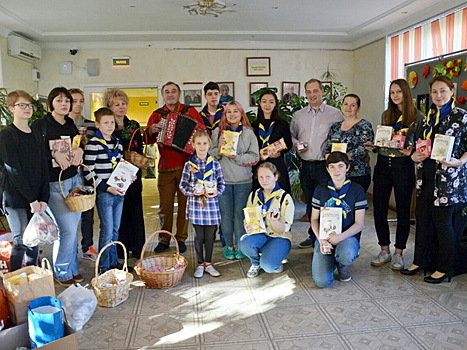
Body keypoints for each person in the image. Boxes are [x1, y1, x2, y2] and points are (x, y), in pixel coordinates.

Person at [402, 76, 467, 283]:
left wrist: (459, 162)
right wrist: (413, 156)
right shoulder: (427, 117)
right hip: (426, 175)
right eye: (434, 92)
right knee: (422, 220)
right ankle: (420, 260)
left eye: (442, 91)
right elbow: (416, 145)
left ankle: (444, 267)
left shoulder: (461, 117)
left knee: (443, 224)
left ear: (451, 92)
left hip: (448, 179)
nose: (438, 96)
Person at [369, 79, 425, 270]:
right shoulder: (387, 115)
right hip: (384, 164)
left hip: (403, 166)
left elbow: (423, 145)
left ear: (406, 93)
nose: (395, 95)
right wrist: (375, 145)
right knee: (379, 209)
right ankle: (384, 249)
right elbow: (383, 140)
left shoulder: (418, 117)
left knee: (402, 210)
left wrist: (413, 150)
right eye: (392, 92)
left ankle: (399, 253)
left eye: (398, 92)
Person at [31, 87, 84, 286]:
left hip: (74, 180)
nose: (64, 104)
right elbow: (33, 153)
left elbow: (77, 143)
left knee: (73, 229)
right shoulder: (41, 125)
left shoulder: (70, 123)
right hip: (54, 184)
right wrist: (52, 154)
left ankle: (72, 268)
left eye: (67, 101)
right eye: (60, 100)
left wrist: (79, 150)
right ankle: (62, 272)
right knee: (66, 230)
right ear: (51, 102)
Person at [146, 81, 204, 253]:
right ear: (163, 95)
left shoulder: (190, 111)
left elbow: (201, 131)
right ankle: (164, 239)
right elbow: (147, 138)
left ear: (179, 94)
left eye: (173, 91)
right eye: (167, 92)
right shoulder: (157, 114)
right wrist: (152, 130)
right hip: (165, 167)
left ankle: (181, 238)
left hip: (187, 167)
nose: (170, 94)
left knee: (185, 206)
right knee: (165, 207)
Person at [290, 78, 343, 248]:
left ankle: (327, 238)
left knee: (326, 204)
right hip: (306, 166)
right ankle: (313, 237)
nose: (312, 95)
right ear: (305, 94)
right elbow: (292, 136)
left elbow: (341, 137)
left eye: (316, 91)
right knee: (310, 203)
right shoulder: (298, 115)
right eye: (309, 91)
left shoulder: (335, 113)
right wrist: (296, 144)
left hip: (324, 167)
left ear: (322, 92)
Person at [0, 90, 49, 271]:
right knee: (20, 240)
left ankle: (31, 276)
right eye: (22, 105)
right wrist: (32, 200)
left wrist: (44, 198)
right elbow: (13, 170)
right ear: (12, 108)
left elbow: (44, 167)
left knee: (34, 239)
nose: (27, 109)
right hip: (16, 197)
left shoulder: (36, 133)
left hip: (35, 197)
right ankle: (15, 283)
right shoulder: (7, 135)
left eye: (29, 105)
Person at [210, 101, 259, 260]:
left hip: (243, 181)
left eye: (235, 111)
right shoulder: (218, 132)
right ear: (224, 115)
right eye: (228, 112)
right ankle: (228, 245)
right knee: (225, 215)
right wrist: (221, 150)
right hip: (223, 180)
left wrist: (236, 157)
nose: (232, 114)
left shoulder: (249, 133)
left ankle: (240, 244)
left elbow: (255, 157)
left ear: (241, 114)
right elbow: (210, 155)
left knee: (240, 215)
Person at [83, 107, 130, 272]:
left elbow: (121, 166)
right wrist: (106, 187)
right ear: (97, 124)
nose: (110, 125)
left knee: (116, 229)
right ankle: (103, 267)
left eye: (112, 122)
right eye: (105, 122)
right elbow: (87, 171)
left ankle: (113, 262)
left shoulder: (117, 142)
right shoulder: (93, 144)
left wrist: (129, 176)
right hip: (105, 193)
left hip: (119, 192)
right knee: (107, 230)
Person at [311, 152, 367, 288]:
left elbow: (359, 224)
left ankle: (342, 264)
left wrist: (340, 237)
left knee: (346, 253)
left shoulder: (357, 190)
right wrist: (320, 239)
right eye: (332, 167)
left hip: (347, 237)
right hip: (324, 238)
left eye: (340, 166)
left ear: (347, 168)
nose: (336, 170)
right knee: (321, 282)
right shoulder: (320, 189)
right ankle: (330, 260)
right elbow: (314, 219)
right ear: (327, 169)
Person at [104, 88, 145, 259]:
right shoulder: (107, 126)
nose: (121, 107)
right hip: (115, 178)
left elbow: (140, 147)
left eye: (123, 104)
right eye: (117, 104)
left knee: (135, 212)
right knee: (119, 215)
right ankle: (121, 250)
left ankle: (138, 249)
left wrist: (140, 160)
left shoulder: (133, 125)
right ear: (110, 107)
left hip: (133, 176)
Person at [179, 130, 225, 278]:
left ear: (209, 144)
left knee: (210, 236)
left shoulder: (215, 164)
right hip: (196, 205)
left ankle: (209, 263)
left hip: (211, 205)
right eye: (198, 143)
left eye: (205, 143)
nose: (202, 146)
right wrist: (193, 191)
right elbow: (182, 186)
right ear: (193, 145)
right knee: (199, 236)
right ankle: (200, 264)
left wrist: (215, 192)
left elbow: (222, 184)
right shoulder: (189, 165)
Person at [239, 162, 295, 278]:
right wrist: (247, 226)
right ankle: (256, 262)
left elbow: (284, 228)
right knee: (244, 241)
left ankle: (275, 260)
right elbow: (248, 217)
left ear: (276, 177)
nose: (264, 180)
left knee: (269, 267)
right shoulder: (254, 195)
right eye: (261, 177)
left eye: (268, 176)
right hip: (261, 235)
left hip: (279, 237)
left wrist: (274, 221)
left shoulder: (285, 197)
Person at [68, 88, 98, 262]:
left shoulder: (92, 125)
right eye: (74, 100)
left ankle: (87, 247)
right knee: (69, 217)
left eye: (81, 100)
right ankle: (69, 250)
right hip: (66, 175)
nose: (78, 104)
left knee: (88, 213)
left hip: (87, 173)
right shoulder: (62, 125)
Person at [325, 94, 374, 192]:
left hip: (358, 174)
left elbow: (364, 148)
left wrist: (345, 157)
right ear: (342, 106)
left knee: (355, 205)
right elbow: (328, 146)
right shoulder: (336, 126)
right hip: (337, 175)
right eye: (346, 104)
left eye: (353, 105)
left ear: (358, 108)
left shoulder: (364, 125)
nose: (348, 108)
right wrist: (328, 156)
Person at [252, 89, 293, 193]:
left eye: (271, 102)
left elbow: (289, 144)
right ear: (260, 103)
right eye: (264, 101)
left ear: (275, 104)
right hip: (259, 165)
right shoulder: (254, 125)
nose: (267, 105)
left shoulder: (282, 124)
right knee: (259, 196)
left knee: (279, 196)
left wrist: (280, 153)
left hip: (276, 165)